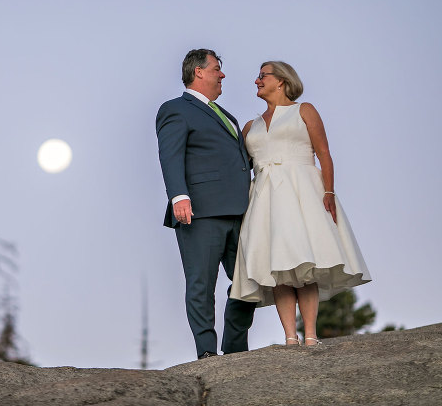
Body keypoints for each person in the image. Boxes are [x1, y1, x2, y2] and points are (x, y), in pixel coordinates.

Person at [230, 61, 371, 346]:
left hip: (301, 191)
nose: (256, 81)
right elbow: (239, 167)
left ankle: (310, 334)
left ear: (281, 80)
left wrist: (329, 193)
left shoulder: (303, 110)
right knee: (278, 264)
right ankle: (290, 337)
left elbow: (324, 152)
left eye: (262, 76)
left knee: (306, 263)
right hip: (264, 197)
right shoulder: (249, 126)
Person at [156, 48, 256, 360]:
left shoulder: (228, 116)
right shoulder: (175, 109)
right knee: (201, 284)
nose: (222, 74)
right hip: (198, 212)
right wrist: (179, 196)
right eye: (216, 69)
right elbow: (170, 155)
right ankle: (207, 352)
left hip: (239, 212)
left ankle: (235, 349)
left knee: (248, 282)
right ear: (198, 72)